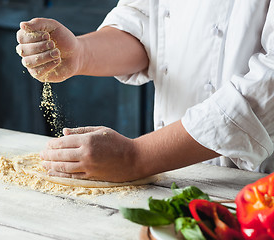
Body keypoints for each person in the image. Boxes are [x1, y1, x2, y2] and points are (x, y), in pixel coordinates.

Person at [16, 1, 274, 182]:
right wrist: (81, 53)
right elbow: (145, 22)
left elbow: (267, 88)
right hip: (175, 174)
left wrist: (137, 156)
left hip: (258, 185)